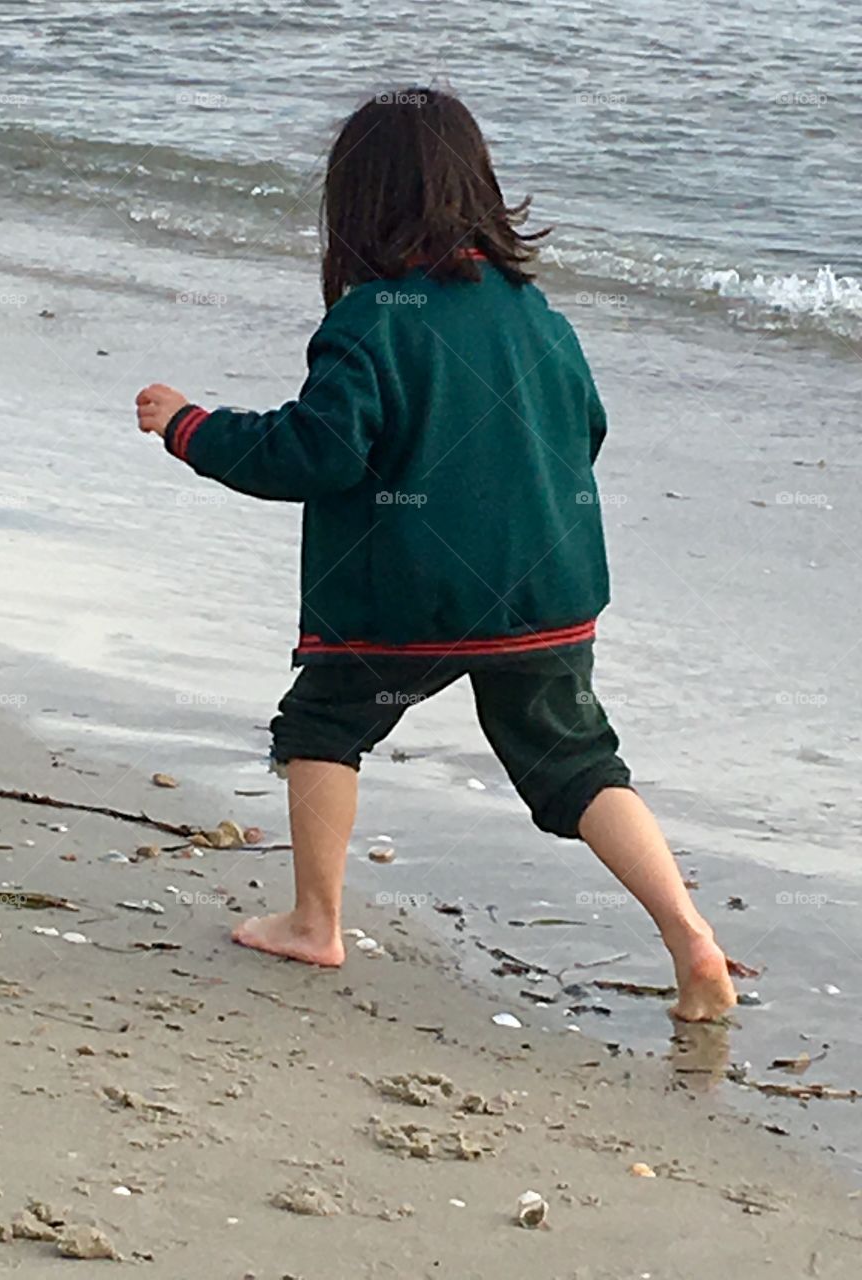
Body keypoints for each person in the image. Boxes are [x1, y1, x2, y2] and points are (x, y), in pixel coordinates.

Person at [135, 87, 736, 1021]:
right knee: (578, 763)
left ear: (358, 208)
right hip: (548, 594)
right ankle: (690, 937)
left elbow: (317, 452)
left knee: (323, 727)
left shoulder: (372, 319)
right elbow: (588, 429)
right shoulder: (539, 316)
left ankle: (315, 921)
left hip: (406, 598)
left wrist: (191, 427)